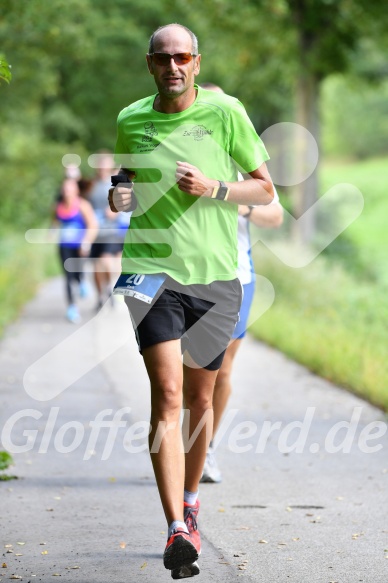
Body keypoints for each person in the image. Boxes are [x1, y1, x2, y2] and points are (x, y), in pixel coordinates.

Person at [108, 24, 275, 579]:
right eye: (164, 58)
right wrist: (120, 191)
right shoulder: (132, 119)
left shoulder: (226, 113)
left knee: (201, 403)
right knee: (169, 393)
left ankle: (191, 498)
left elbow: (266, 189)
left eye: (183, 57)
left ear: (196, 63)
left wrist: (215, 189)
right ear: (149, 64)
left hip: (215, 277)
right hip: (150, 272)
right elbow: (125, 183)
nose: (173, 66)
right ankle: (177, 526)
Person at [198, 83, 284, 484]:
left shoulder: (240, 155)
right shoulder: (183, 155)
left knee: (221, 369)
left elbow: (275, 215)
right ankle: (186, 445)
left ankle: (206, 447)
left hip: (236, 274)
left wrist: (234, 200)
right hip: (186, 273)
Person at [54, 178, 98, 323]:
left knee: (77, 274)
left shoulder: (83, 205)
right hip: (64, 246)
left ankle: (82, 282)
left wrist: (86, 243)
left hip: (79, 247)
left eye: (69, 188)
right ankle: (72, 308)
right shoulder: (59, 206)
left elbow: (93, 225)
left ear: (76, 190)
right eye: (64, 188)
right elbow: (55, 222)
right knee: (68, 276)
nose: (67, 191)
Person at [88, 151, 127, 310]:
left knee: (107, 260)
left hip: (112, 231)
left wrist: (114, 209)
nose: (103, 167)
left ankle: (111, 286)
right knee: (96, 266)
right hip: (94, 232)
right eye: (100, 164)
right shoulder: (91, 185)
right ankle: (101, 295)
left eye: (106, 163)